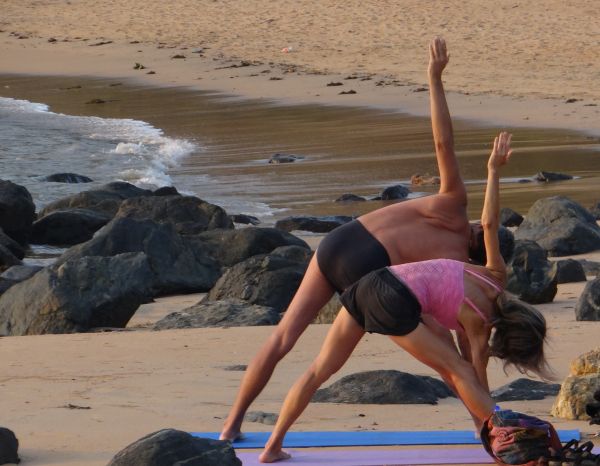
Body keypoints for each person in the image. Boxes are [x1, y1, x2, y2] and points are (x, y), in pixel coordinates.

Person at [220, 37, 482, 441]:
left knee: (283, 336)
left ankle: (231, 424)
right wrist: (478, 379)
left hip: (341, 241)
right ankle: (483, 424)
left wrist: (434, 79)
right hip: (371, 271)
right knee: (446, 361)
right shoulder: (457, 271)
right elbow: (466, 345)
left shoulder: (453, 205)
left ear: (480, 230)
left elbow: (442, 141)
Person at [258, 132, 551, 463]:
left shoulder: (495, 275)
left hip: (371, 281)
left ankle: (271, 448)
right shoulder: (481, 330)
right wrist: (489, 424)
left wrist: (493, 170)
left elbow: (488, 222)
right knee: (460, 370)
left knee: (317, 371)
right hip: (394, 298)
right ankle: (500, 445)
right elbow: (475, 380)